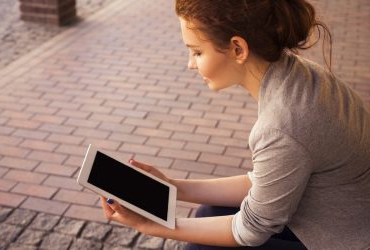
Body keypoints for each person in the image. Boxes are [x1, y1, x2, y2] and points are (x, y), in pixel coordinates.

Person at [101, 0, 370, 249]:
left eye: (196, 52)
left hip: (342, 240)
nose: (190, 64)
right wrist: (173, 187)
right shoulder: (298, 74)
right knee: (209, 212)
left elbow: (252, 230)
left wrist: (153, 226)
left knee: (203, 245)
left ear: (238, 49)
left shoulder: (282, 125)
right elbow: (268, 179)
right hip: (335, 219)